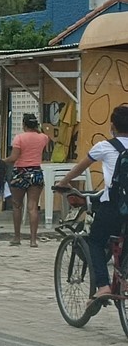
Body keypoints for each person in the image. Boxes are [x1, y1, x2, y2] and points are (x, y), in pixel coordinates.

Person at [56, 105, 128, 303]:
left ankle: (103, 286)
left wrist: (62, 184)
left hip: (114, 207)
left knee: (95, 241)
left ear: (112, 126)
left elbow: (79, 169)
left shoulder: (105, 146)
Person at [3, 113, 50, 248]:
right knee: (33, 206)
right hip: (36, 172)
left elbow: (13, 158)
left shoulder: (19, 138)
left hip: (20, 173)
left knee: (17, 206)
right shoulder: (43, 138)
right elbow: (43, 138)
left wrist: (1, 161)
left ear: (24, 125)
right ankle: (33, 240)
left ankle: (17, 237)